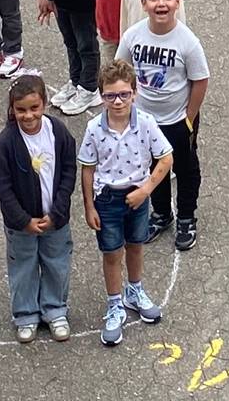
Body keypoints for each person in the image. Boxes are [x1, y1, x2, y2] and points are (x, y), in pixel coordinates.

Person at [81, 59, 172, 346]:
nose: (117, 101)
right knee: (111, 253)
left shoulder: (145, 123)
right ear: (102, 96)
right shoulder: (94, 128)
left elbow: (166, 158)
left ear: (134, 93)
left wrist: (145, 190)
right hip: (107, 198)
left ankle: (135, 291)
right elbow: (87, 168)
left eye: (123, 94)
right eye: (110, 95)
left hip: (137, 196)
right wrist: (89, 206)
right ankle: (114, 303)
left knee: (135, 246)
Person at [118, 0, 209, 253]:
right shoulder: (133, 35)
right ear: (143, 3)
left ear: (178, 2)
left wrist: (189, 117)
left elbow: (200, 80)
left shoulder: (187, 41)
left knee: (185, 169)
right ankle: (160, 214)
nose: (161, 4)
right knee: (151, 166)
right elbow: (121, 70)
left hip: (178, 120)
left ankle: (185, 217)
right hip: (145, 120)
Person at [0, 75, 77, 344]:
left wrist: (58, 212)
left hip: (55, 219)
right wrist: (22, 220)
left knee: (56, 263)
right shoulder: (5, 143)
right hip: (22, 225)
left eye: (34, 108)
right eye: (21, 110)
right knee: (23, 267)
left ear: (44, 104)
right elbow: (3, 189)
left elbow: (68, 172)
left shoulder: (59, 133)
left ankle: (55, 310)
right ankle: (26, 314)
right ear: (12, 109)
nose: (28, 115)